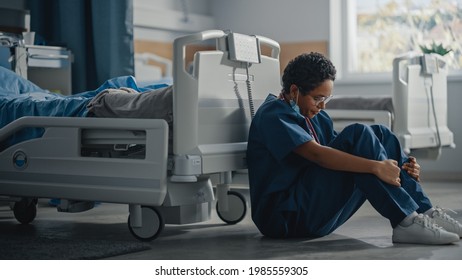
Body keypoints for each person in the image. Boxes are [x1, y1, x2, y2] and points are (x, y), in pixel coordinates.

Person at [246, 52, 462, 245]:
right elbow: (317, 154)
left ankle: (425, 211)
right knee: (358, 134)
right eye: (318, 98)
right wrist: (376, 167)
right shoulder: (273, 115)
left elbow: (345, 151)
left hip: (313, 211)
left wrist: (404, 166)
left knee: (380, 134)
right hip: (285, 218)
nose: (322, 106)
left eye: (326, 98)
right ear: (294, 91)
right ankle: (406, 222)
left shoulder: (316, 117)